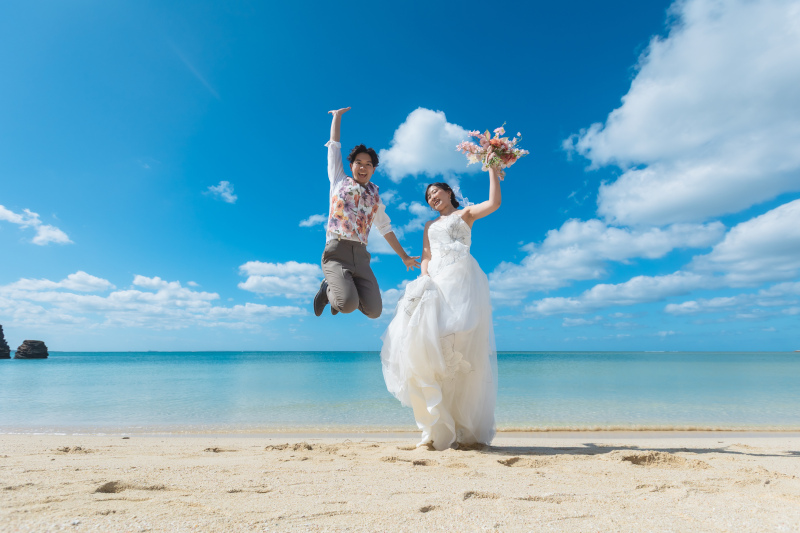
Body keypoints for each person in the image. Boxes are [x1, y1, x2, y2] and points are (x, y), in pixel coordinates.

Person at [380, 155, 502, 450]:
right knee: (422, 345)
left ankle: (464, 430)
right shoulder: (429, 225)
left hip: (461, 280)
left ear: (449, 193)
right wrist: (423, 278)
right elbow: (426, 256)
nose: (433, 198)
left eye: (437, 193)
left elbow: (494, 203)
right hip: (435, 281)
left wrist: (492, 172)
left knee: (458, 350)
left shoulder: (466, 214)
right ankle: (433, 430)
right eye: (429, 197)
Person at [314, 107, 419, 318]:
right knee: (347, 305)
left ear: (373, 169)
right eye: (358, 163)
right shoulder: (338, 180)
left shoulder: (375, 196)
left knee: (374, 311)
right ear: (351, 166)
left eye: (368, 165)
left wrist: (404, 257)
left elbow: (385, 228)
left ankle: (342, 291)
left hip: (361, 256)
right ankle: (328, 289)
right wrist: (336, 118)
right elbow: (334, 147)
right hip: (337, 252)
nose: (363, 168)